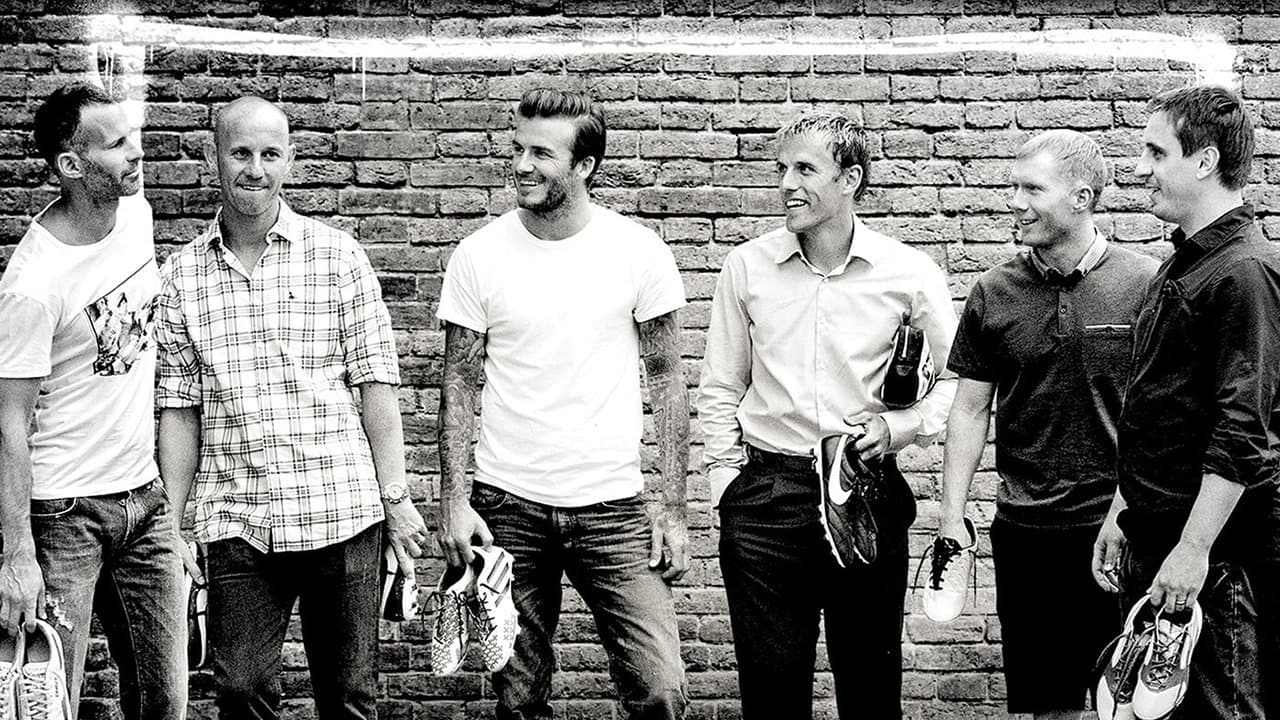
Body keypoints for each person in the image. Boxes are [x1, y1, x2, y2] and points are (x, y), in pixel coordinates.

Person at [154, 96, 426, 720]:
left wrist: (396, 498)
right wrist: (172, 524)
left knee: (350, 699)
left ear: (290, 160)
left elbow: (376, 386)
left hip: (342, 512)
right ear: (214, 157)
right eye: (240, 153)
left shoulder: (337, 256)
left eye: (270, 154)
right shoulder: (181, 276)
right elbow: (179, 410)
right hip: (237, 518)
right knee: (240, 690)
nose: (255, 169)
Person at [435, 87, 689, 719]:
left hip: (614, 508)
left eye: (542, 153)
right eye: (518, 148)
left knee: (659, 689)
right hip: (509, 507)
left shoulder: (638, 252)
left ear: (585, 166)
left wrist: (673, 509)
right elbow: (459, 383)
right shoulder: (479, 254)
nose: (522, 165)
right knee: (518, 698)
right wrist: (455, 500)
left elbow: (666, 381)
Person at [695, 110, 957, 719]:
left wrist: (899, 427)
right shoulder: (747, 267)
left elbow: (958, 383)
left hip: (866, 491)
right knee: (770, 693)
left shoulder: (909, 273)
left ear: (850, 179)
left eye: (805, 169)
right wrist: (727, 486)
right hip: (766, 498)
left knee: (869, 689)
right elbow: (721, 386)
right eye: (781, 169)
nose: (786, 184)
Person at [934, 130, 1157, 719]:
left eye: (1033, 189)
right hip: (1027, 532)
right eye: (1015, 187)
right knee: (1050, 707)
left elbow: (1163, 419)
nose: (1015, 202)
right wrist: (952, 517)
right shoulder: (993, 291)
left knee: (1131, 705)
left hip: (1123, 529)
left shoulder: (1147, 285)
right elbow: (969, 409)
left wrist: (1130, 510)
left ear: (1082, 197)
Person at [1092, 84, 1280, 719]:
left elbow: (1241, 430)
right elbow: (1158, 411)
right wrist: (1123, 509)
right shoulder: (1182, 266)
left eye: (1156, 152)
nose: (1140, 168)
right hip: (1160, 539)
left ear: (1204, 161)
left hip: (1216, 557)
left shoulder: (1244, 272)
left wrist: (1194, 549)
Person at [0, 82, 186, 719]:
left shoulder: (137, 215)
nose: (136, 153)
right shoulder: (33, 283)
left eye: (132, 136)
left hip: (145, 501)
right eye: (116, 144)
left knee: (166, 702)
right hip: (65, 512)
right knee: (55, 703)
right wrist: (17, 556)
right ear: (71, 165)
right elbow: (9, 423)